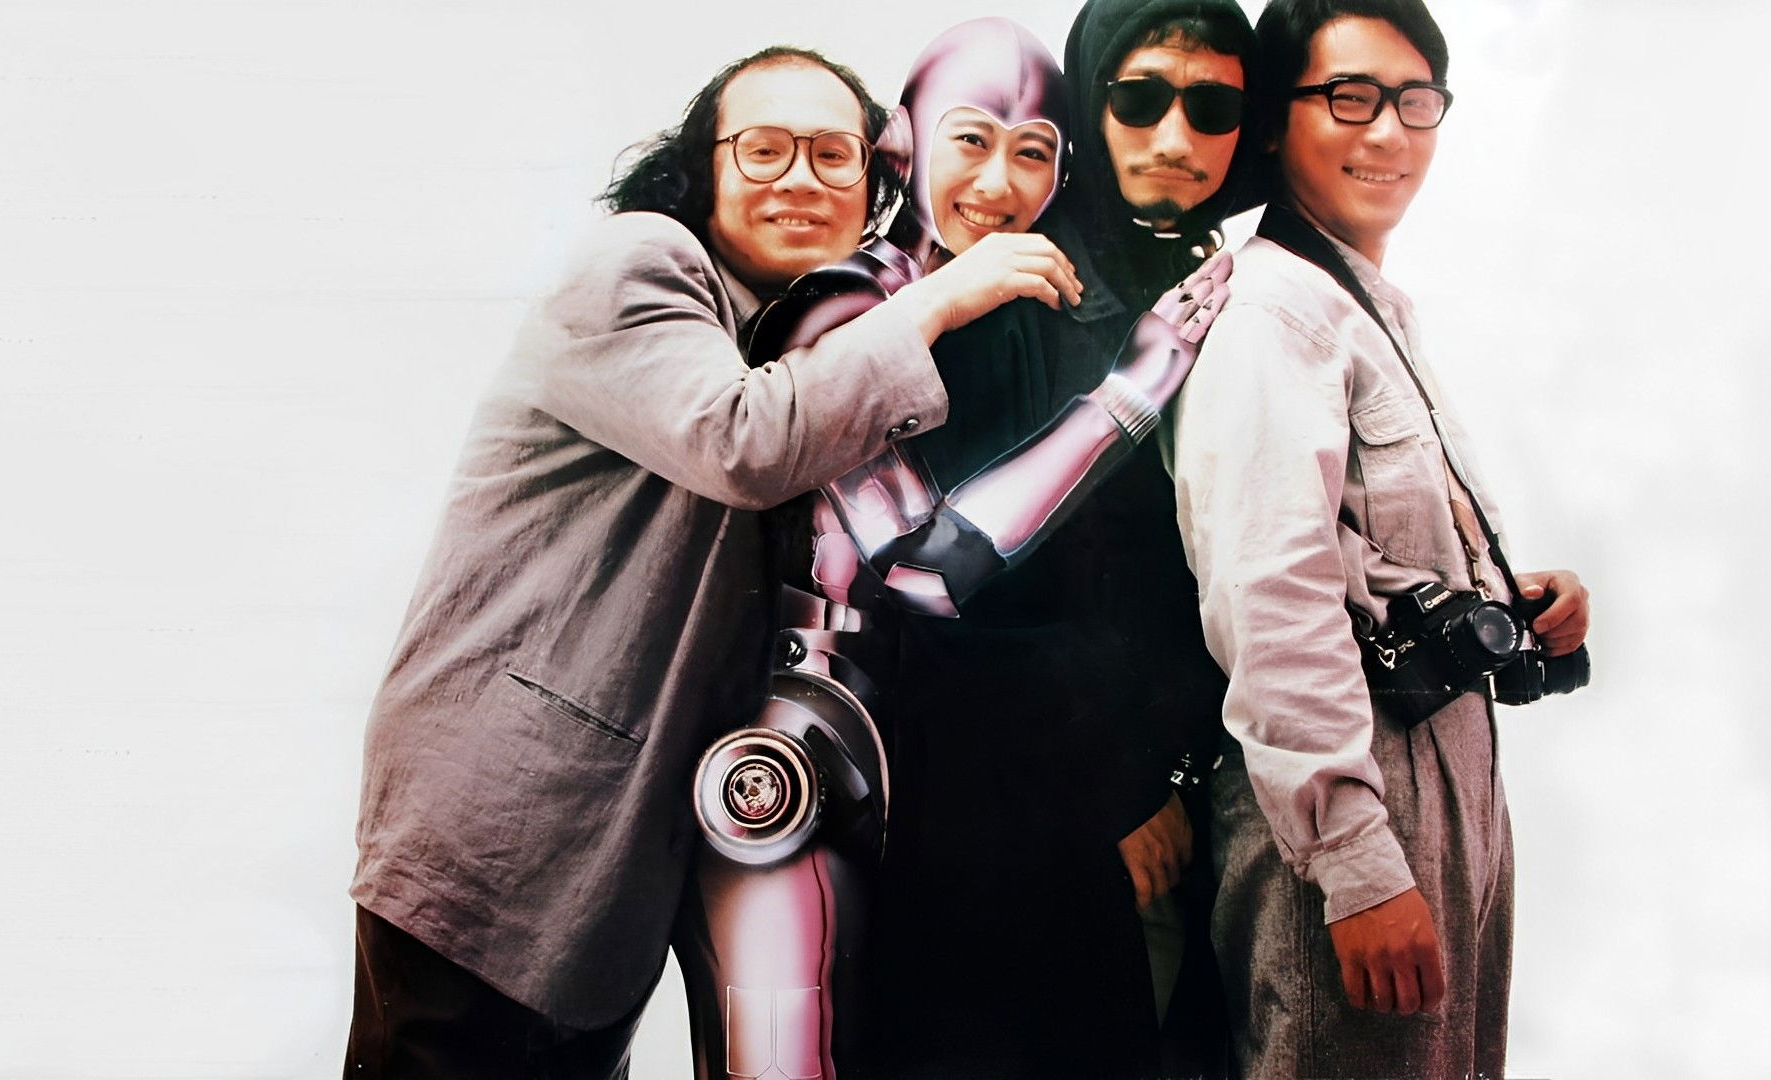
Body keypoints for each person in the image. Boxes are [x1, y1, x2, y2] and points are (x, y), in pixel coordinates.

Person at [343, 45, 1088, 1079]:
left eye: (833, 155)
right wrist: (940, 301)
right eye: (765, 149)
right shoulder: (641, 262)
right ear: (703, 167)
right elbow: (744, 442)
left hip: (606, 857)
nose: (801, 179)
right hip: (502, 826)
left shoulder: (788, 320)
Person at [675, 20, 1230, 1080]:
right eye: (970, 139)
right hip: (817, 746)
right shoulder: (843, 303)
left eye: (1032, 151)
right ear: (907, 143)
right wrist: (1134, 388)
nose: (998, 183)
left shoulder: (1016, 308)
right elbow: (927, 570)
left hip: (972, 782)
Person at [1170, 1, 1592, 1076]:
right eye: (1349, 98)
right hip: (1358, 809)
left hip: (1433, 791)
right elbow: (1269, 596)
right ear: (1276, 124)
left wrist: (1499, 589)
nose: (1389, 132)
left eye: (1415, 101)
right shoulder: (1273, 318)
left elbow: (1355, 547)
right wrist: (1356, 866)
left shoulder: (1352, 301)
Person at [862, 2, 1260, 1076]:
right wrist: (1116, 786)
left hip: (1197, 779)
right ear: (1091, 102)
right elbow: (947, 591)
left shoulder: (1208, 273)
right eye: (1140, 97)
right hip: (1044, 816)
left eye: (1211, 107)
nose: (1174, 135)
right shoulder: (1014, 280)